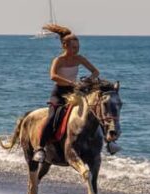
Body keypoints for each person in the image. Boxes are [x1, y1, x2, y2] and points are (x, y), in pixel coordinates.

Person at [32, 24, 119, 162]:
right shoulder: (58, 60)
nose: (76, 50)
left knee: (95, 112)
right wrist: (71, 82)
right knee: (52, 116)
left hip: (75, 92)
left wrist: (88, 80)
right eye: (73, 47)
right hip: (59, 92)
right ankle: (40, 148)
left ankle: (110, 142)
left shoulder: (80, 58)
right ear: (64, 46)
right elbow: (53, 76)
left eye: (77, 47)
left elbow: (96, 72)